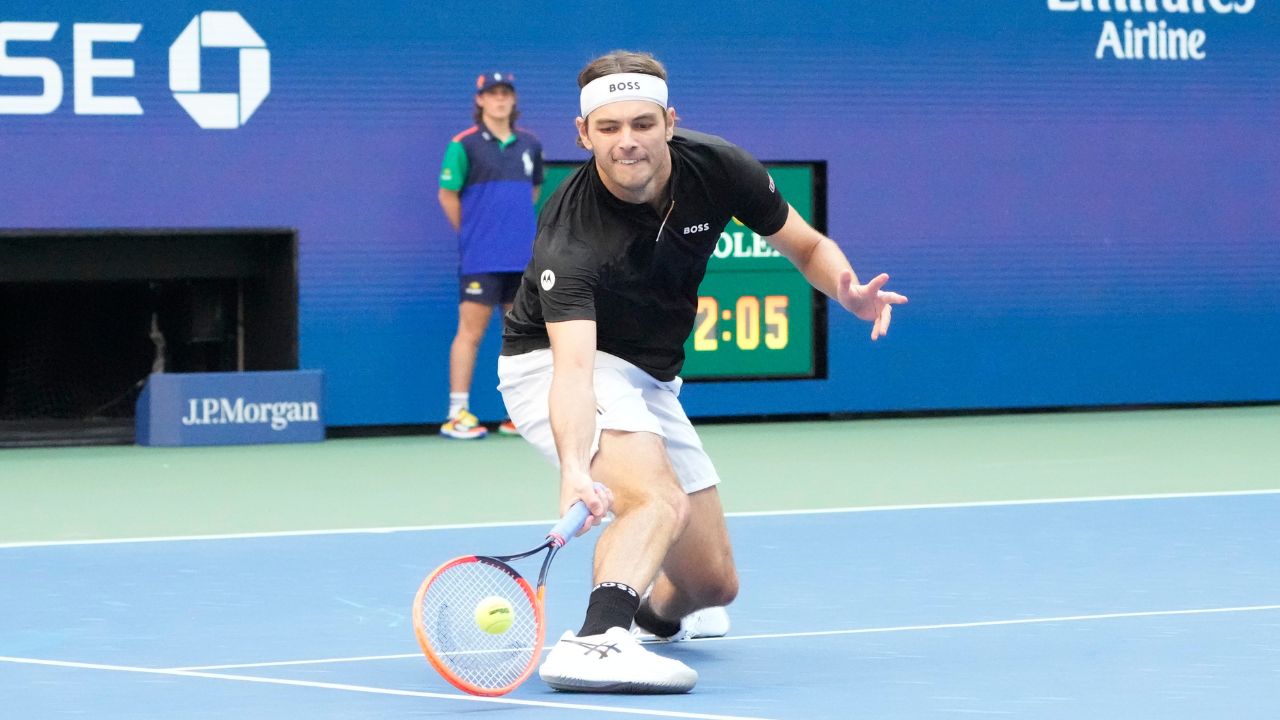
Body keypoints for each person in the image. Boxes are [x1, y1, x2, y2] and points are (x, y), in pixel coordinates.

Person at [497, 51, 908, 693]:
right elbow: (573, 372)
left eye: (642, 123)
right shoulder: (571, 234)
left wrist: (845, 290)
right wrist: (575, 469)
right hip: (552, 363)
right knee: (654, 498)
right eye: (608, 127)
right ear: (583, 135)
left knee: (712, 584)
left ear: (670, 122)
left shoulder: (719, 168)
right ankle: (597, 640)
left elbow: (806, 246)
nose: (627, 141)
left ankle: (649, 619)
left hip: (649, 374)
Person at [438, 71, 544, 439]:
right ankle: (457, 414)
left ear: (513, 100)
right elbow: (447, 195)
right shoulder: (462, 145)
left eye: (505, 93)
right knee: (470, 332)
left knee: (519, 336)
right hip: (481, 259)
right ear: (480, 99)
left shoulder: (530, 144)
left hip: (523, 259)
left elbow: (532, 193)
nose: (499, 99)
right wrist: (474, 234)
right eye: (492, 93)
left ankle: (519, 415)